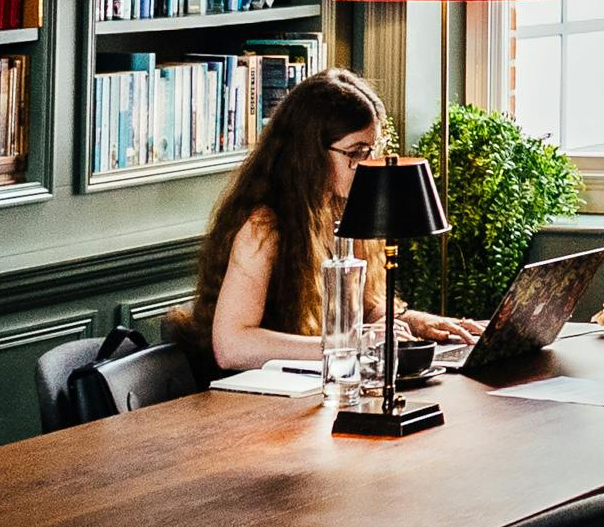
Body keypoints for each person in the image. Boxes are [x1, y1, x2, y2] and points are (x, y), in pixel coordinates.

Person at [191, 67, 483, 374]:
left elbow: (365, 306)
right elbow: (231, 346)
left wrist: (413, 320)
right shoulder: (263, 227)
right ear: (310, 154)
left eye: (371, 150)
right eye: (355, 153)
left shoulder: (344, 207)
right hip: (261, 395)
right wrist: (346, 342)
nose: (366, 165)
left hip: (324, 381)